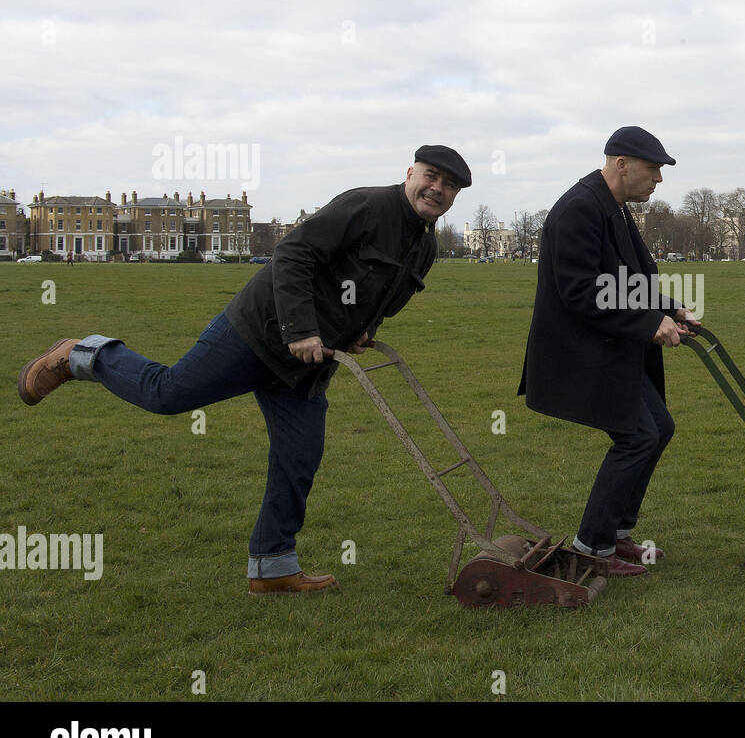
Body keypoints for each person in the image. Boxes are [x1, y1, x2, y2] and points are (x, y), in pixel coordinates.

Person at [17, 145, 472, 594]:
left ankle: (273, 566)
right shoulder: (367, 205)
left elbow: (379, 299)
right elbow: (294, 253)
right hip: (259, 332)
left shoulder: (424, 245)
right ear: (410, 171)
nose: (437, 188)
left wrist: (362, 329)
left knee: (299, 458)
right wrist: (299, 328)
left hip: (307, 365)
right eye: (431, 176)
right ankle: (82, 354)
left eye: (449, 185)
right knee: (168, 394)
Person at [519, 126, 697, 578]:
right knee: (637, 437)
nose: (658, 179)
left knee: (659, 428)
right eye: (653, 169)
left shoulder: (611, 207)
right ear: (621, 164)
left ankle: (616, 534)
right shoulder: (580, 209)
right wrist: (646, 323)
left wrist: (670, 308)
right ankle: (591, 548)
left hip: (610, 350)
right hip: (579, 355)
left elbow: (632, 279)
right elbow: (581, 292)